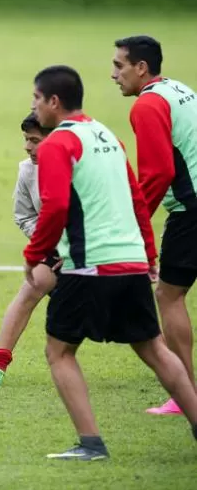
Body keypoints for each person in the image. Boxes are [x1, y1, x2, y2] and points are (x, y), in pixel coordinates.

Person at [24, 65, 197, 460]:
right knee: (153, 347)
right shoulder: (106, 135)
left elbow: (55, 207)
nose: (33, 106)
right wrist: (149, 254)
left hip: (89, 265)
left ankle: (91, 444)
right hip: (131, 261)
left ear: (53, 101)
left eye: (36, 98)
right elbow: (137, 199)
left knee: (59, 351)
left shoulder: (56, 144)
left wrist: (33, 255)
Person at [112, 35, 197, 416]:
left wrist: (134, 219)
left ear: (141, 67)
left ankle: (186, 395)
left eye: (119, 66)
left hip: (191, 210)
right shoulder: (181, 90)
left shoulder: (148, 105)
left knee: (168, 295)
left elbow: (159, 171)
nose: (114, 74)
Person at [0, 113, 57, 389]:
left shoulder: (79, 167)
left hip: (92, 254)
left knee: (127, 318)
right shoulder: (27, 170)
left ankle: (173, 373)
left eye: (35, 141)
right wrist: (50, 245)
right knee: (30, 288)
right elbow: (24, 216)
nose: (27, 147)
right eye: (26, 140)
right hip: (54, 251)